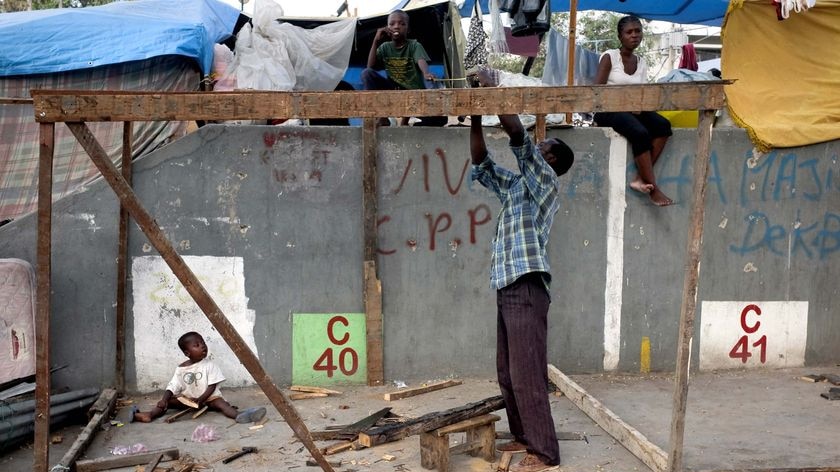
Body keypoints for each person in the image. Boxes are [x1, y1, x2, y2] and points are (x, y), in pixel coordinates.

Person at [470, 68, 574, 472]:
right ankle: (522, 438)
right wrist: (475, 113)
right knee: (508, 372)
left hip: (527, 284)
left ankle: (545, 453)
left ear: (551, 160)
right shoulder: (517, 188)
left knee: (528, 372)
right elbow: (480, 163)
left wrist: (493, 89)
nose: (537, 146)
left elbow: (518, 139)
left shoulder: (546, 182)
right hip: (506, 284)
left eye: (544, 145)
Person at [593, 15, 674, 207]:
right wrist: (625, 104)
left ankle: (639, 178)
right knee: (640, 133)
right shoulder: (609, 57)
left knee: (663, 126)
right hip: (607, 111)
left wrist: (638, 106)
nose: (634, 35)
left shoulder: (641, 62)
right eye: (629, 32)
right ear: (620, 36)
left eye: (638, 31)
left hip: (632, 110)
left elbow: (642, 92)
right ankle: (653, 187)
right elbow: (597, 91)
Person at [132, 331, 266, 424]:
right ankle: (150, 414)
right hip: (190, 399)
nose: (202, 346)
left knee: (221, 404)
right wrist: (164, 399)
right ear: (187, 353)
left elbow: (212, 386)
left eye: (203, 343)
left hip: (209, 398)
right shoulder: (181, 369)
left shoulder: (209, 365)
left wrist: (201, 400)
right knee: (167, 402)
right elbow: (172, 386)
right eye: (197, 345)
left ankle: (240, 415)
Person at [361, 9, 435, 126]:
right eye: (392, 24)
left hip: (413, 92)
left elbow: (421, 60)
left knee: (436, 119)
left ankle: (405, 123)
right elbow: (370, 66)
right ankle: (381, 115)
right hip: (393, 90)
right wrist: (376, 41)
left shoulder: (414, 45)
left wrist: (426, 73)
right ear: (387, 28)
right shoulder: (385, 47)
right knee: (366, 73)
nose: (396, 26)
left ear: (408, 29)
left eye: (402, 24)